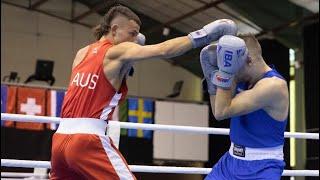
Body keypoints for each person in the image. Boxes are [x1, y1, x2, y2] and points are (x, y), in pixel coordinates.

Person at [49, 5, 238, 180]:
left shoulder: (82, 53)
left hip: (59, 140)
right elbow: (163, 50)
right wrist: (203, 35)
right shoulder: (118, 50)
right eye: (132, 34)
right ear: (114, 30)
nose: (134, 40)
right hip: (87, 140)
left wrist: (124, 70)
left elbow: (94, 85)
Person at [200, 34, 289, 180]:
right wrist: (211, 80)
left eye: (234, 66)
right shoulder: (241, 77)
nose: (232, 72)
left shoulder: (274, 86)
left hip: (262, 167)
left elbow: (223, 110)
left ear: (248, 60)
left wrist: (225, 72)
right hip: (230, 161)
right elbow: (218, 110)